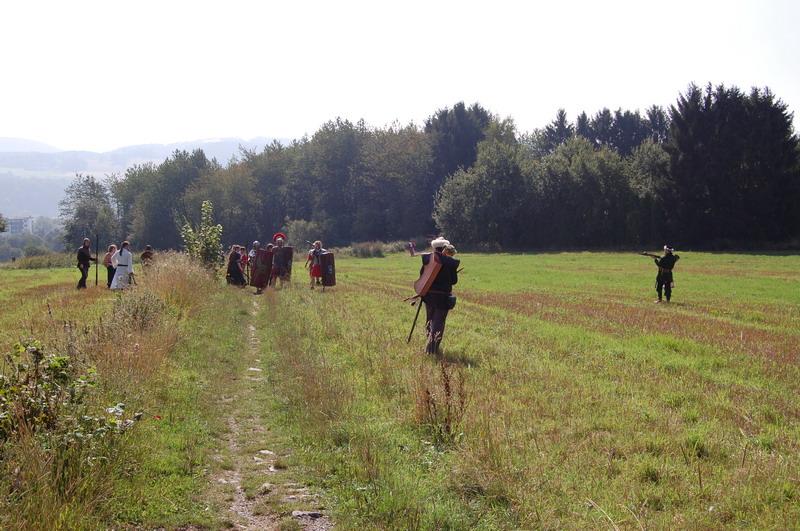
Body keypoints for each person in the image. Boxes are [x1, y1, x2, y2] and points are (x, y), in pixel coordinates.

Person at [420, 237, 460, 355]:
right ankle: (431, 349)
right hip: (443, 296)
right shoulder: (449, 262)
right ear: (445, 248)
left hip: (429, 295)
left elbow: (422, 275)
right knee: (439, 321)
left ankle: (429, 346)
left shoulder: (428, 259)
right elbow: (454, 281)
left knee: (430, 319)